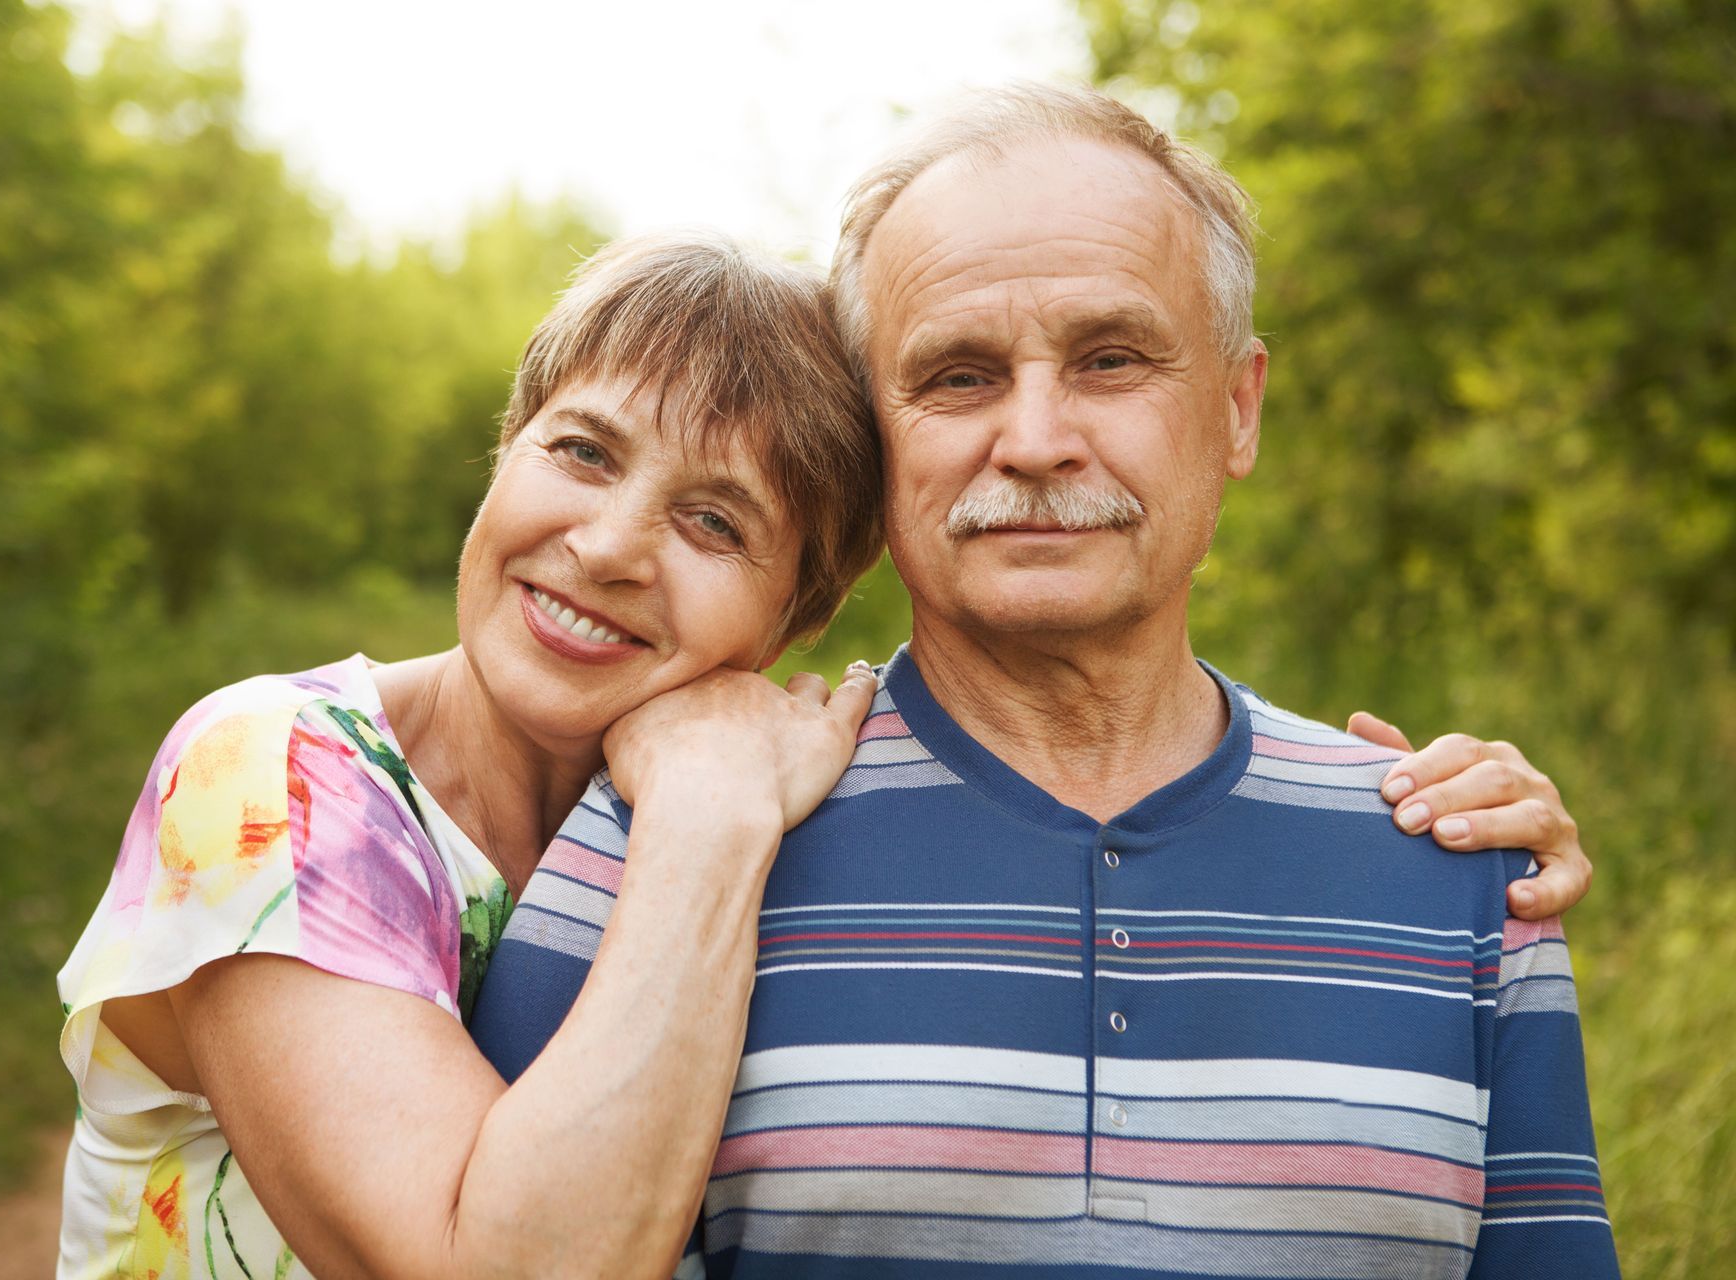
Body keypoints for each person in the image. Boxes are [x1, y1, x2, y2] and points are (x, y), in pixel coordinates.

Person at [468, 86, 1617, 1278]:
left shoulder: (1462, 865)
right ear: (877, 433)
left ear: (1236, 407)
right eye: (957, 376)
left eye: (1111, 359)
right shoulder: (668, 832)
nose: (1033, 436)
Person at [55, 232, 892, 1278]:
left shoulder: (795, 828)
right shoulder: (267, 774)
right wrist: (709, 814)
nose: (606, 546)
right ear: (508, 448)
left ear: (794, 617)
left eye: (713, 520)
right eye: (584, 451)